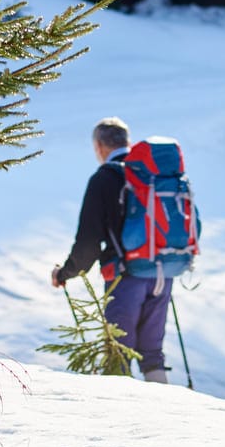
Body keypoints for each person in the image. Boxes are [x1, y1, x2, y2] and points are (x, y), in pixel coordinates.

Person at [52, 117, 172, 384]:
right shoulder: (153, 173)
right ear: (128, 142)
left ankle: (123, 410)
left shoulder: (104, 178)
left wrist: (65, 273)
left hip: (125, 277)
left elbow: (88, 242)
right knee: (152, 354)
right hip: (163, 273)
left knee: (119, 353)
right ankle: (165, 405)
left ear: (99, 146)